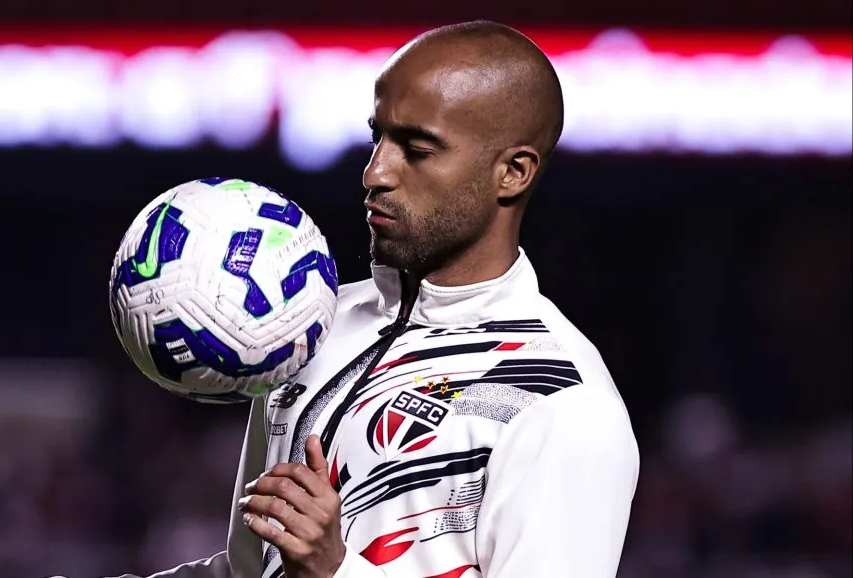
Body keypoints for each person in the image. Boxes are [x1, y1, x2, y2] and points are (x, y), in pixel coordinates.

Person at [111, 19, 639, 578]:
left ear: (512, 172)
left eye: (416, 149)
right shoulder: (310, 322)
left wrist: (335, 571)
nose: (375, 173)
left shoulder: (562, 403)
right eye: (377, 138)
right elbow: (250, 572)